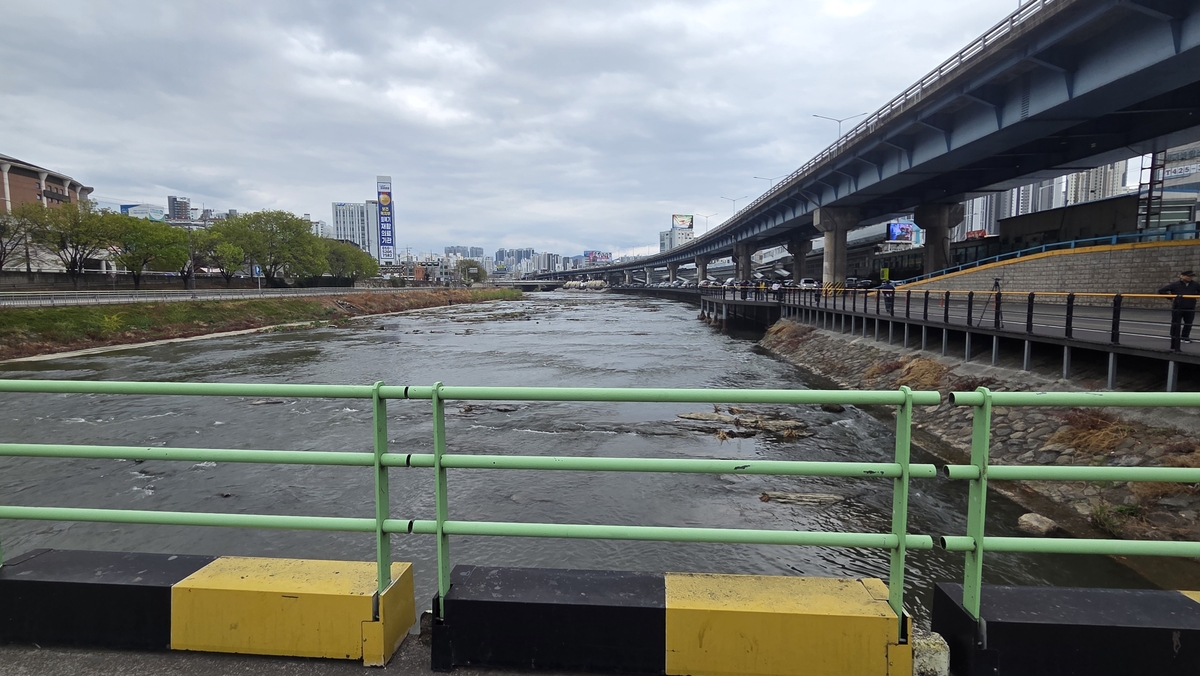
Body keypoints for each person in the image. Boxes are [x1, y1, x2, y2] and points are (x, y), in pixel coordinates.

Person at [1159, 270, 1200, 344]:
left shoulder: (1195, 285)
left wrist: (1195, 296)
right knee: (1175, 322)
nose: (1190, 278)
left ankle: (1185, 337)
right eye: (1188, 276)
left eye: (1191, 276)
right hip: (1178, 306)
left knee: (1188, 323)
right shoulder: (1175, 284)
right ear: (1182, 276)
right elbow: (1161, 291)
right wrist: (1171, 297)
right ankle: (1174, 336)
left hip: (1190, 306)